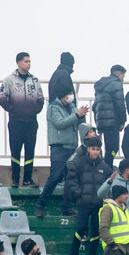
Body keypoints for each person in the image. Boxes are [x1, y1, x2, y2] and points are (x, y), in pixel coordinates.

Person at [35, 86, 89, 218]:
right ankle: (40, 204)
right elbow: (60, 123)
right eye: (69, 93)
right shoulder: (53, 107)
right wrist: (76, 115)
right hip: (59, 147)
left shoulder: (72, 107)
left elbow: (78, 124)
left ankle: (67, 207)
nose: (71, 96)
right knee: (55, 176)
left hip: (72, 146)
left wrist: (81, 117)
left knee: (70, 178)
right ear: (63, 94)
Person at [0, 51, 44, 187]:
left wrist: (33, 111)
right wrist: (13, 110)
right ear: (18, 63)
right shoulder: (9, 80)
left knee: (30, 151)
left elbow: (40, 99)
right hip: (16, 121)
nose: (28, 64)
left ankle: (28, 179)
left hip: (31, 121)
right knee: (15, 151)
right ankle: (15, 179)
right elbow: (1, 98)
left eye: (29, 61)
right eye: (26, 61)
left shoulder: (34, 80)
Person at [65, 136, 112, 255]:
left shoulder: (105, 167)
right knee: (81, 228)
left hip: (98, 205)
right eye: (93, 149)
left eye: (97, 149)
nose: (95, 152)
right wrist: (77, 192)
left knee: (96, 230)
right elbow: (71, 180)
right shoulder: (79, 163)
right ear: (88, 149)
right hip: (83, 204)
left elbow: (110, 184)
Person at [94, 64, 127, 161]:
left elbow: (95, 106)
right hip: (112, 122)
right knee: (114, 149)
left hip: (102, 122)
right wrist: (122, 121)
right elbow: (120, 104)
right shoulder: (116, 83)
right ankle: (108, 164)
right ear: (119, 73)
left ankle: (107, 162)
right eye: (123, 76)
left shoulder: (100, 85)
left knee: (108, 148)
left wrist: (98, 124)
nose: (123, 79)